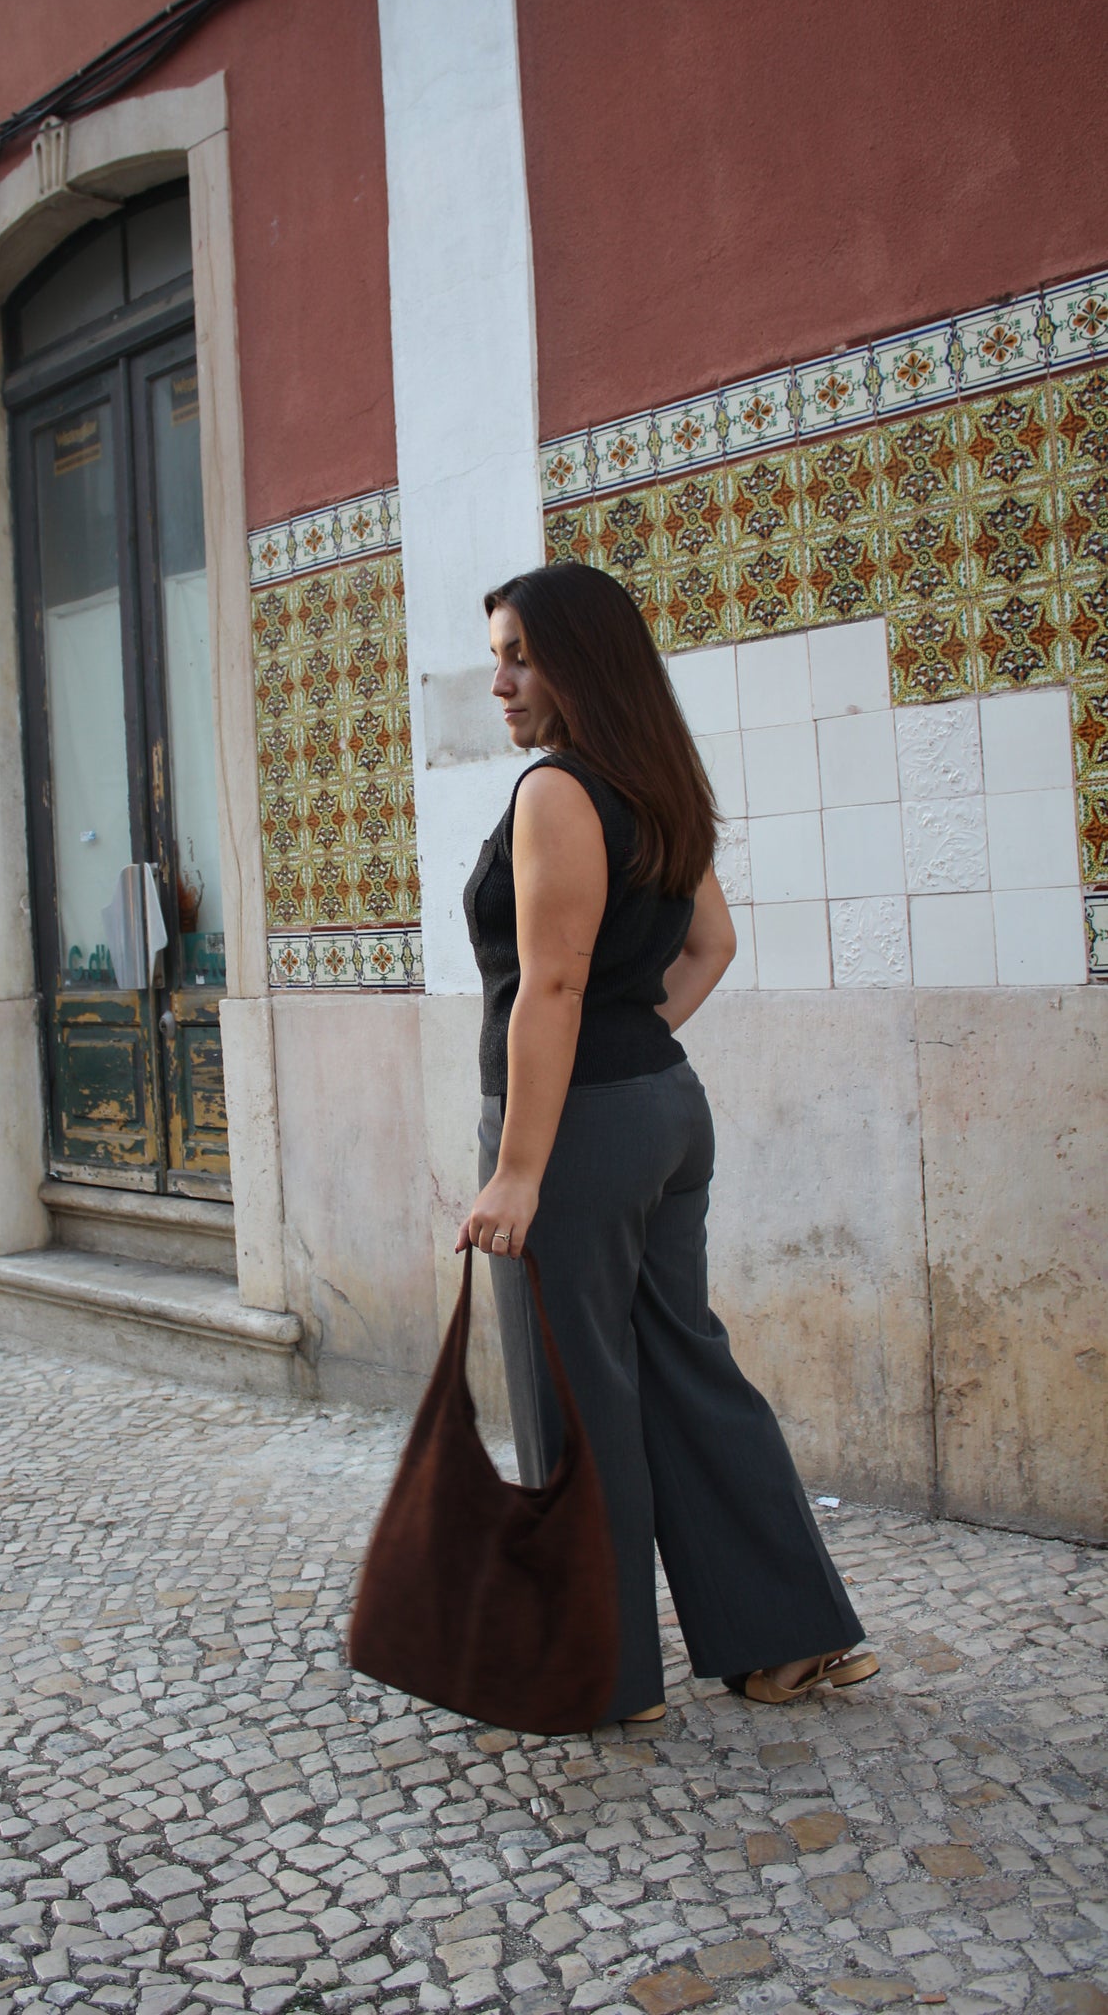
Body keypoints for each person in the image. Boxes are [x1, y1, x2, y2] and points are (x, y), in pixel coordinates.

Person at [458, 562, 877, 1721]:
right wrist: (629, 1050)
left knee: (574, 1387)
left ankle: (599, 1669)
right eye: (498, 654)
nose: (497, 681)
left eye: (518, 656)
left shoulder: (555, 791)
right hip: (659, 1106)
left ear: (578, 662)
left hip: (576, 1131)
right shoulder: (656, 782)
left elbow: (549, 983)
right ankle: (788, 1636)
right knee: (688, 1367)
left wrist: (517, 1169)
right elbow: (709, 948)